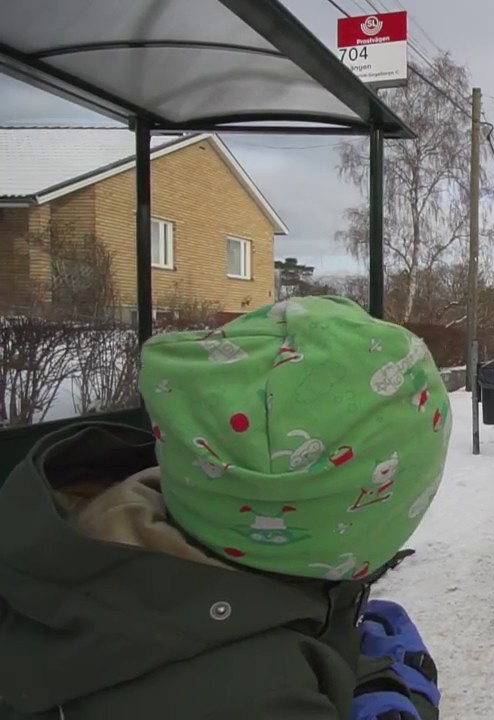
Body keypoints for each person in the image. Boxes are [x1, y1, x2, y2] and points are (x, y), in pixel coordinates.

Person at [0, 296, 451, 719]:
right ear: (354, 523)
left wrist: (350, 662)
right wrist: (404, 695)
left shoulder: (101, 522)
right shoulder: (262, 696)